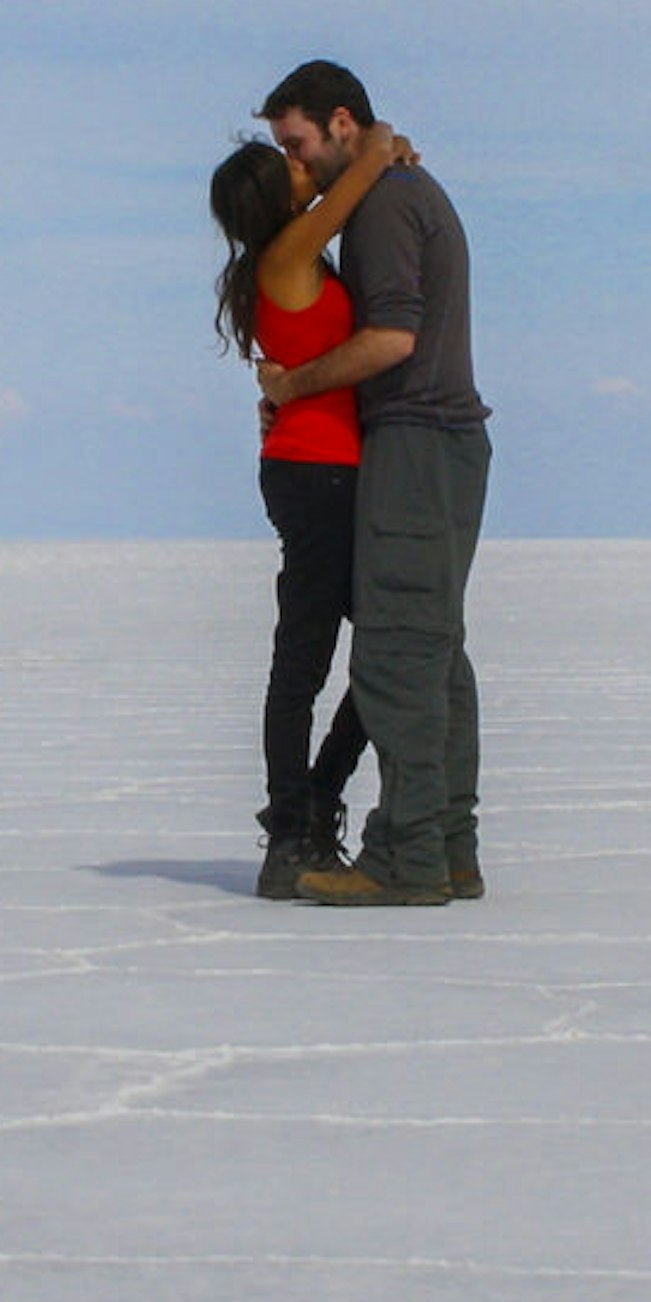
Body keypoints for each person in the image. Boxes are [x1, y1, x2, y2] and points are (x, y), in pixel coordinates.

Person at [248, 60, 490, 907]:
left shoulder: (385, 201)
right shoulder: (389, 188)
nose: (299, 167)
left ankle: (407, 856)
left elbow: (389, 339)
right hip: (441, 443)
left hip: (417, 441)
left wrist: (291, 387)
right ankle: (448, 846)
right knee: (431, 648)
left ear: (342, 121)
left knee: (396, 655)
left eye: (300, 143)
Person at [206, 118, 412, 896]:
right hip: (314, 477)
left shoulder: (292, 259)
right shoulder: (289, 253)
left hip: (324, 471)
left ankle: (312, 804)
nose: (301, 167)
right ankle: (294, 829)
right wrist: (382, 138)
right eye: (286, 163)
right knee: (304, 662)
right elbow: (354, 179)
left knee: (384, 648)